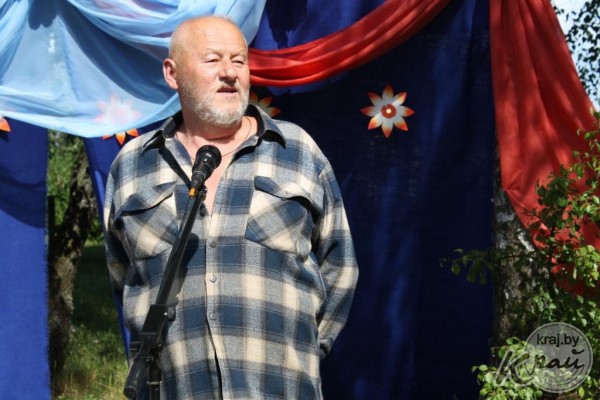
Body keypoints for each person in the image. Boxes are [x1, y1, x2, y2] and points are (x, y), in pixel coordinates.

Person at [104, 15, 358, 399]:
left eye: (239, 60)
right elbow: (123, 276)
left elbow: (340, 266)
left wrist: (304, 350)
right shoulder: (133, 165)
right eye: (212, 60)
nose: (229, 72)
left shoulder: (297, 150)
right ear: (173, 74)